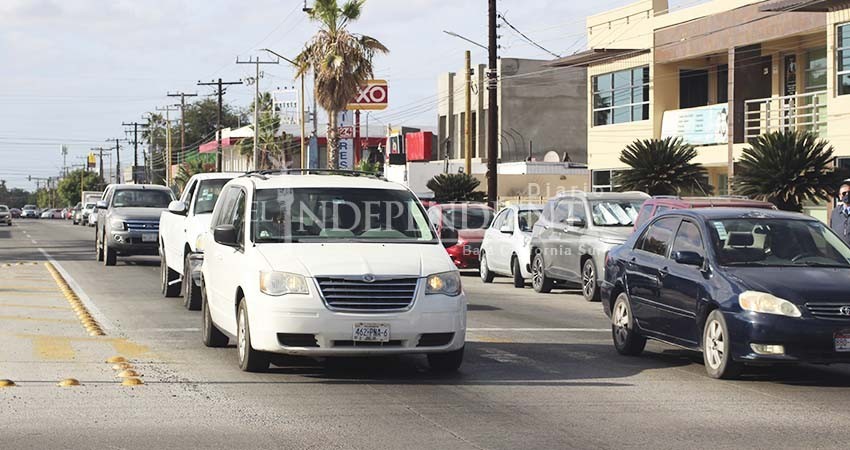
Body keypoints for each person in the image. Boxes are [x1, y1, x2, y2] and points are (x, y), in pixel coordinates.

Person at [830, 180, 850, 245]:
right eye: (844, 193)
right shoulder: (835, 213)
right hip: (839, 252)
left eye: (849, 193)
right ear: (840, 196)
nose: (847, 195)